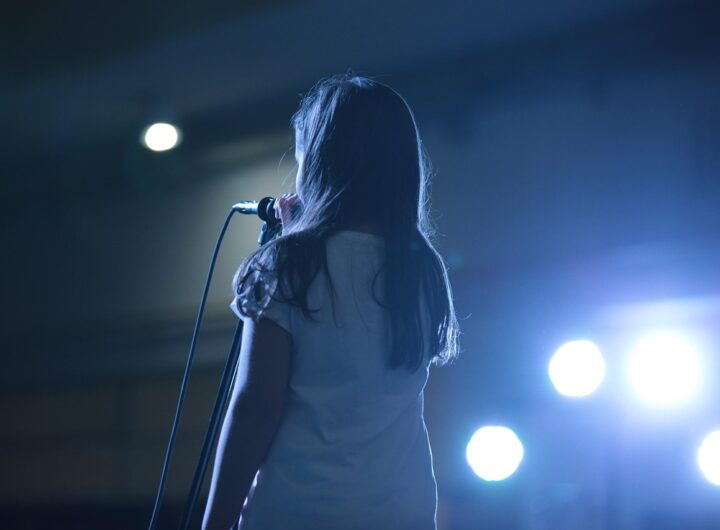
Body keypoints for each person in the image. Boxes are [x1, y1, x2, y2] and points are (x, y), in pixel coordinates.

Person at [202, 74, 459, 530]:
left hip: (302, 512)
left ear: (319, 161)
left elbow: (257, 408)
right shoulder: (422, 270)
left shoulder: (285, 266)